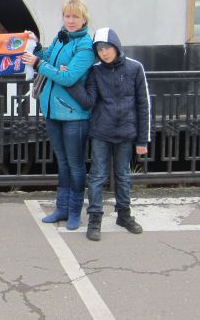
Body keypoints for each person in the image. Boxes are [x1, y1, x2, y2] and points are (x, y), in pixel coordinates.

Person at [66, 27, 150, 241]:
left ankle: (124, 215)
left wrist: (142, 139)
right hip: (101, 132)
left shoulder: (135, 68)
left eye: (107, 47)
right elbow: (88, 101)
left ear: (116, 46)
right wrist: (70, 82)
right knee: (97, 176)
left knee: (123, 175)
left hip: (126, 132)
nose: (104, 53)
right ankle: (95, 219)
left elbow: (143, 104)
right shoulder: (95, 71)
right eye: (99, 49)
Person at [22, 0, 95, 230]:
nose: (70, 20)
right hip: (53, 112)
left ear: (84, 20)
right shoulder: (60, 37)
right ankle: (61, 208)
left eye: (75, 16)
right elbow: (47, 59)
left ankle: (74, 212)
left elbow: (69, 77)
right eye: (67, 16)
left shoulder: (85, 46)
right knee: (63, 163)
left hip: (74, 115)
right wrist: (36, 46)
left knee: (75, 165)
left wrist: (38, 64)